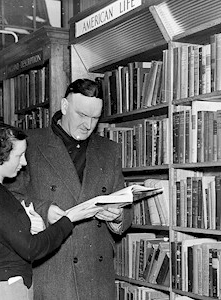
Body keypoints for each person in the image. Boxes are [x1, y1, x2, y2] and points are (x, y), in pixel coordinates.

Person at [8, 78, 133, 299]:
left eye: (95, 118)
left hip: (97, 276)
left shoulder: (109, 150)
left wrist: (117, 216)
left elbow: (124, 204)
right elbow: (9, 198)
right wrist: (44, 210)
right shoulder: (31, 144)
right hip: (53, 271)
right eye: (82, 115)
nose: (88, 124)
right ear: (65, 106)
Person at [0, 121, 102, 300]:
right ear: (0, 156)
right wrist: (69, 219)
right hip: (4, 290)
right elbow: (31, 249)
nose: (24, 162)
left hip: (5, 287)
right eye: (19, 155)